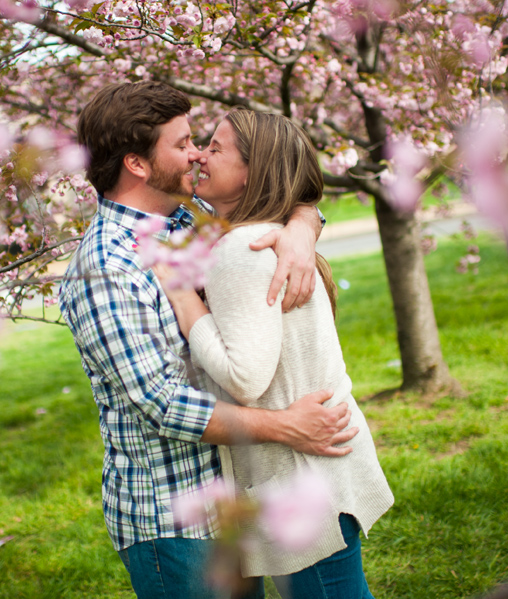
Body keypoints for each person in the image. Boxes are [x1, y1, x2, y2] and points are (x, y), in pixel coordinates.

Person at [58, 81, 358, 599]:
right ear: (137, 165)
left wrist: (302, 230)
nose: (197, 154)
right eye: (183, 143)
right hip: (174, 518)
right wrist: (286, 427)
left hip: (233, 496)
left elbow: (279, 193)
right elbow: (162, 404)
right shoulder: (107, 268)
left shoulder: (185, 218)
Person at [155, 109, 394, 599]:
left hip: (299, 479)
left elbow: (245, 378)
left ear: (252, 172)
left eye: (216, 148)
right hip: (316, 470)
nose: (200, 154)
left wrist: (182, 298)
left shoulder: (242, 246)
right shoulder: (256, 233)